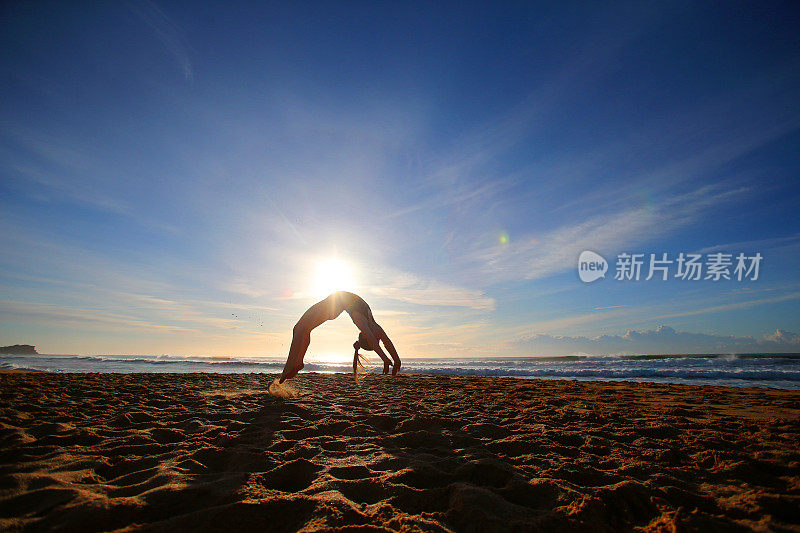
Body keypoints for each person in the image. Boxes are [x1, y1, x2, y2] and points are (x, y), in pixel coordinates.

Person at [279, 291, 401, 383]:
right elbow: (387, 342)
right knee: (304, 329)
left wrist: (385, 359)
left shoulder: (362, 321)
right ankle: (298, 362)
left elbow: (374, 342)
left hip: (333, 305)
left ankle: (289, 367)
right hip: (334, 303)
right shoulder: (375, 327)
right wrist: (396, 360)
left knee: (299, 329)